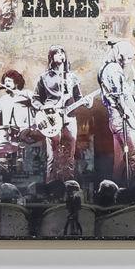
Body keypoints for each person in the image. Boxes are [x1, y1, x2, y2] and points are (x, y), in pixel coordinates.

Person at [32, 47, 83, 181]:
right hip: (52, 117)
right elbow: (35, 99)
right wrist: (44, 109)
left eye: (62, 53)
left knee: (70, 154)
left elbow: (79, 97)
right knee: (52, 155)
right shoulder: (44, 77)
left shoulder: (72, 77)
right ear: (51, 57)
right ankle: (51, 184)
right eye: (57, 53)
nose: (60, 55)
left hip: (69, 116)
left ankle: (69, 185)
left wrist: (86, 102)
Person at [98, 40, 135, 185]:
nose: (129, 61)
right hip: (122, 118)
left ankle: (116, 192)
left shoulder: (105, 68)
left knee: (120, 162)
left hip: (114, 118)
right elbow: (121, 96)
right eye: (128, 57)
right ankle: (129, 191)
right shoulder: (114, 69)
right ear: (120, 54)